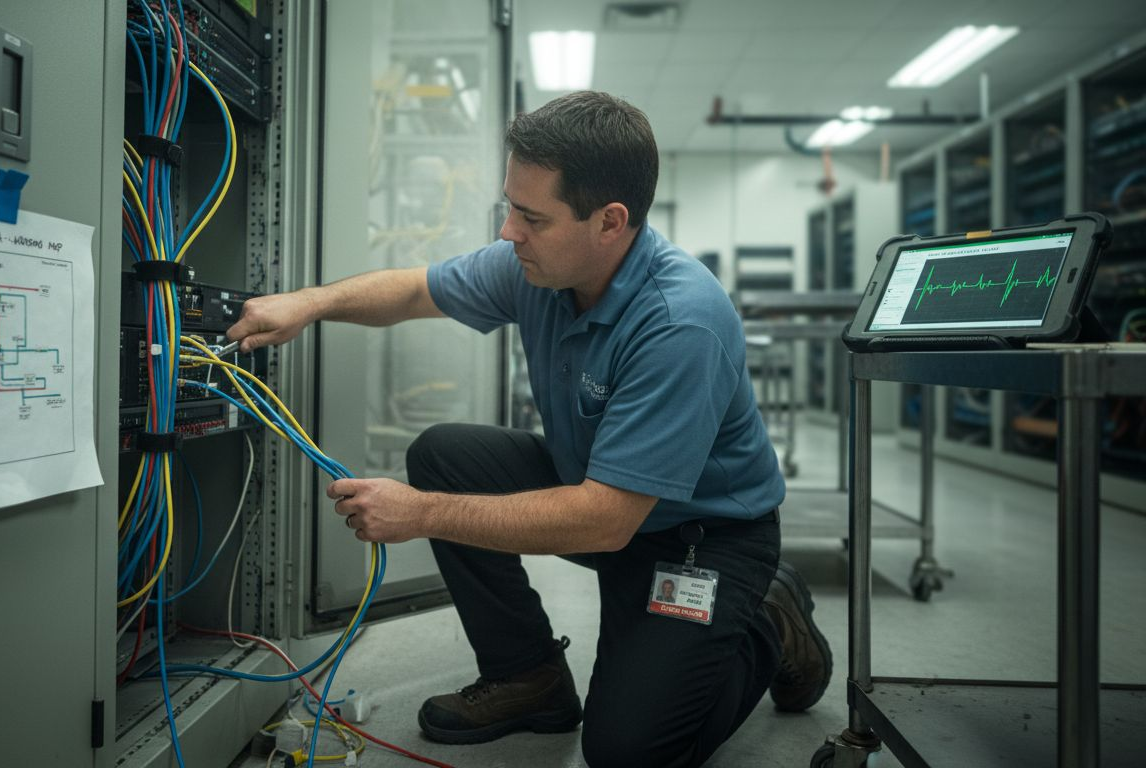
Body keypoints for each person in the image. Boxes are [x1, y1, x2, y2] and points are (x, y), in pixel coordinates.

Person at [226, 90, 832, 767]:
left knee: (628, 752)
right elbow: (416, 290)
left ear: (609, 222)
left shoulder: (679, 322)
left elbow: (605, 521)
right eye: (510, 207)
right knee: (446, 455)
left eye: (532, 217)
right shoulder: (537, 269)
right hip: (602, 496)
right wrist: (307, 303)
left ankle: (770, 619)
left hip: (702, 537)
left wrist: (421, 514)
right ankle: (528, 676)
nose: (509, 231)